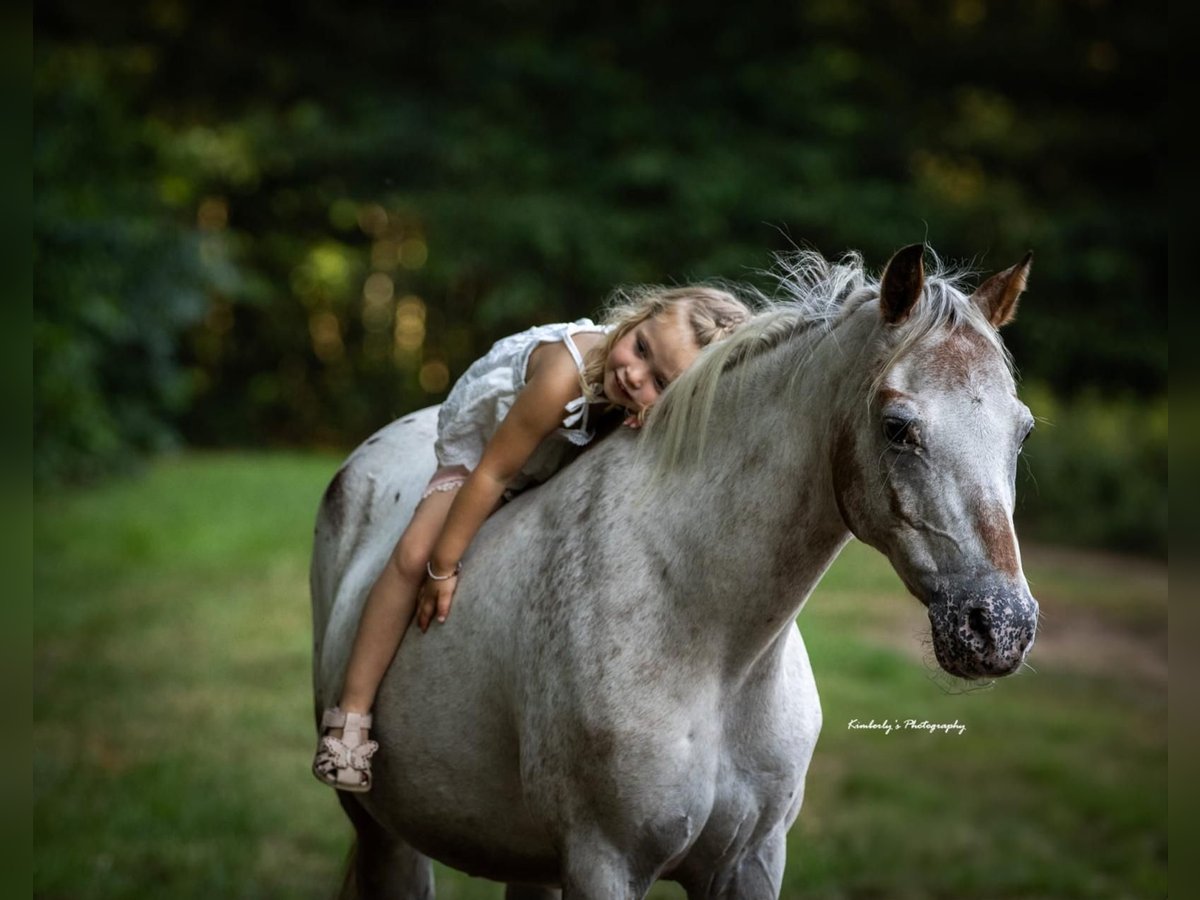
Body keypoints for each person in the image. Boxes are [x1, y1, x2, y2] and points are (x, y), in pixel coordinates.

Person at [312, 285, 752, 792]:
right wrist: (443, 566)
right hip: (486, 450)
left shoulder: (635, 395)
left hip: (543, 457)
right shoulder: (564, 377)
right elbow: (494, 473)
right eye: (641, 348)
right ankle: (349, 717)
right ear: (637, 318)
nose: (634, 374)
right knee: (412, 557)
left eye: (660, 382)